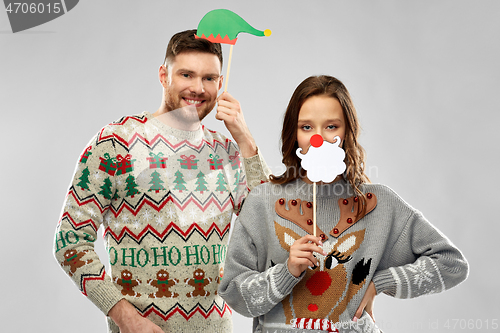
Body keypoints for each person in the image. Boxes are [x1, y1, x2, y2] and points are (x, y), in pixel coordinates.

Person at [53, 29, 270, 333]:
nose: (198, 88)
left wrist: (245, 140)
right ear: (163, 75)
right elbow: (69, 242)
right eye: (186, 74)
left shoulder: (228, 152)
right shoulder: (115, 144)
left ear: (221, 84)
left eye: (209, 78)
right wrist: (126, 319)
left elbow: (270, 229)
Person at [218, 75, 469, 333]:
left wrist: (381, 282)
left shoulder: (379, 203)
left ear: (348, 131)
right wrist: (287, 271)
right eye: (306, 127)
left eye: (331, 127)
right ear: (293, 134)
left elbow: (451, 264)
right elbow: (234, 294)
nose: (319, 139)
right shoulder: (263, 201)